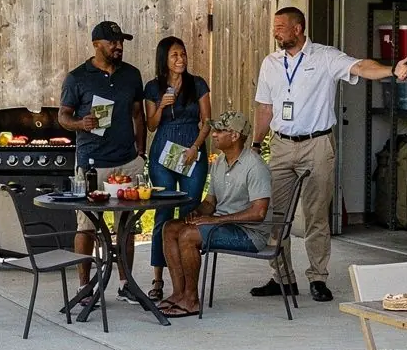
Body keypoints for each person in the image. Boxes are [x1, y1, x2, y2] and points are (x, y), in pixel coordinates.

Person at [251, 6, 407, 304]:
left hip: (317, 144)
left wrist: (391, 70)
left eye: (281, 26)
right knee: (276, 214)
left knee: (316, 215)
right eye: (275, 27)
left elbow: (361, 67)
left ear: (298, 28)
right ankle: (282, 277)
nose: (276, 32)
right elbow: (264, 108)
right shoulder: (270, 63)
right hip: (282, 145)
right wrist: (256, 145)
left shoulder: (324, 56)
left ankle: (317, 278)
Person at [58, 21, 146, 301]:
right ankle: (84, 287)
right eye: (112, 42)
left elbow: (138, 115)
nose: (118, 46)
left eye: (121, 41)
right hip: (92, 163)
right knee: (86, 226)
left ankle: (126, 283)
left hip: (127, 161)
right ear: (96, 44)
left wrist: (140, 152)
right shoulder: (77, 78)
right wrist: (81, 123)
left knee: (127, 226)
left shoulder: (132, 75)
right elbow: (63, 117)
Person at [159, 112, 271, 317]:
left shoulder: (255, 166)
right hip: (224, 225)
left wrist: (215, 220)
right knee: (171, 228)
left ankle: (191, 300)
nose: (214, 134)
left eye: (220, 131)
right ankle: (178, 294)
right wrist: (195, 214)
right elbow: (210, 202)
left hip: (249, 233)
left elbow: (259, 213)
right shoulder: (219, 161)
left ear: (235, 136)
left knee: (188, 235)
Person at [143, 36, 211, 302]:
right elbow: (150, 125)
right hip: (163, 153)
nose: (180, 59)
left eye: (183, 54)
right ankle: (158, 279)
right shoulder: (153, 87)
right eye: (174, 55)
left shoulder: (198, 84)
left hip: (192, 151)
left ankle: (185, 282)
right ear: (164, 59)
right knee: (163, 213)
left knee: (189, 212)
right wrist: (162, 105)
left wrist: (195, 147)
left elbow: (207, 121)